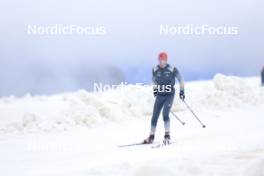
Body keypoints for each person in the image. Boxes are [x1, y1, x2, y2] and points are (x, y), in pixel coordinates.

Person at [143, 52, 185, 145]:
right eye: (160, 60)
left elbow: (181, 79)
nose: (162, 62)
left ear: (166, 60)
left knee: (165, 114)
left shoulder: (172, 69)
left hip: (169, 95)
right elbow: (154, 81)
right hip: (160, 95)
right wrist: (155, 90)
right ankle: (151, 136)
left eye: (164, 60)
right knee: (154, 116)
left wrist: (182, 91)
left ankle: (167, 135)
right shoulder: (155, 69)